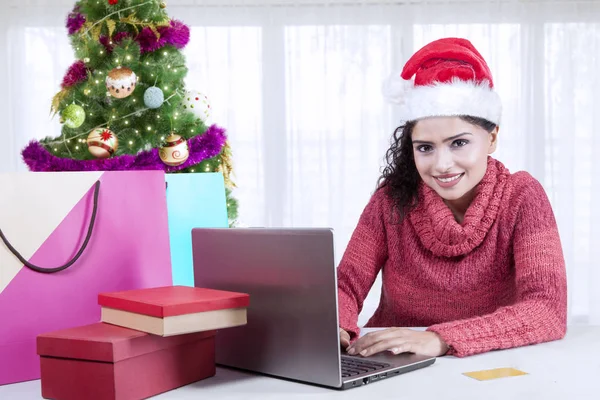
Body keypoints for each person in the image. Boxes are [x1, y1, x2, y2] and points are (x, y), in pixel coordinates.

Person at [337, 37, 567, 358]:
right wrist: (336, 326)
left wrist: (440, 339)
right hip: (392, 363)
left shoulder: (522, 196)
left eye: (458, 143)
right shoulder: (391, 201)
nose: (442, 165)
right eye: (425, 148)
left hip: (488, 365)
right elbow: (345, 285)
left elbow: (546, 309)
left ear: (492, 138)